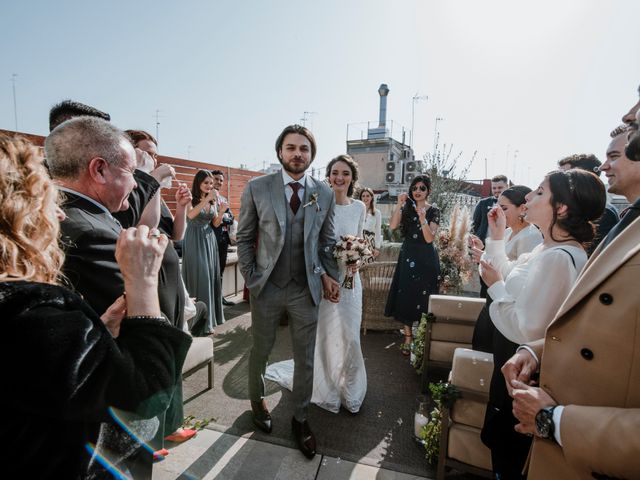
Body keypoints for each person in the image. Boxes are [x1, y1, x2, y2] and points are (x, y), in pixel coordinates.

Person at [0, 135, 191, 479]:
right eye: (45, 199)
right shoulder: (29, 311)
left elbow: (50, 374)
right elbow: (144, 395)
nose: (58, 212)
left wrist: (95, 332)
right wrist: (143, 284)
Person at [501, 122, 640, 479]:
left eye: (613, 155)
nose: (604, 166)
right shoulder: (626, 223)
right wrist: (535, 351)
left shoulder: (560, 255)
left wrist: (556, 419)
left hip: (591, 445)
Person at [46, 116, 180, 471]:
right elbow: (140, 326)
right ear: (100, 170)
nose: (136, 183)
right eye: (132, 172)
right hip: (109, 415)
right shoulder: (92, 231)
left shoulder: (73, 216)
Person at [478, 169, 606, 479]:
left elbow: (528, 329)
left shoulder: (559, 258)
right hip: (510, 359)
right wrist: (497, 238)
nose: (527, 197)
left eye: (538, 192)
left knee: (509, 460)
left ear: (560, 208)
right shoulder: (544, 250)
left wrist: (495, 288)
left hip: (523, 369)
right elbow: (509, 276)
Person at [237, 124, 340, 459]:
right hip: (266, 287)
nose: (298, 153)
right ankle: (257, 401)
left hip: (304, 288)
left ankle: (301, 418)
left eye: (305, 149)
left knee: (305, 358)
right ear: (280, 151)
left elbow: (327, 242)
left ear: (311, 155)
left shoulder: (322, 192)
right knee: (261, 349)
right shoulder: (257, 187)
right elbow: (244, 236)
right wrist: (252, 278)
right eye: (292, 147)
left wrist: (330, 276)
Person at [266, 154, 367, 414]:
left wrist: (358, 261)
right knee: (325, 336)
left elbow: (363, 243)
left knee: (352, 339)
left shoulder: (359, 208)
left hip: (351, 283)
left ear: (352, 178)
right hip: (323, 282)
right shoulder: (318, 205)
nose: (339, 178)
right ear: (329, 176)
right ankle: (328, 388)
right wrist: (324, 277)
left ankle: (352, 388)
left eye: (345, 173)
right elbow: (311, 247)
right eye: (335, 172)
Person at [126, 129, 198, 445]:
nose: (153, 157)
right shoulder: (134, 188)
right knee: (159, 351)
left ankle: (169, 423)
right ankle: (154, 432)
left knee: (172, 348)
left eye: (155, 153)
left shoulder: (150, 188)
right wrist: (152, 179)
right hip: (152, 279)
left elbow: (176, 234)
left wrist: (181, 207)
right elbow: (146, 226)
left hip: (170, 276)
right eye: (146, 151)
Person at [471, 185, 543, 352]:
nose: (498, 212)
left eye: (504, 208)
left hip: (508, 305)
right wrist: (483, 252)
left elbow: (516, 277)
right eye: (497, 207)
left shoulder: (531, 236)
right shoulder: (506, 232)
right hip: (493, 298)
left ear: (522, 209)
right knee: (481, 346)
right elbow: (492, 263)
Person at [384, 174, 440, 356]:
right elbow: (392, 226)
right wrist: (399, 204)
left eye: (422, 188)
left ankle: (421, 337)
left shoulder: (434, 210)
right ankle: (408, 337)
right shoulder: (406, 207)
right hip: (408, 256)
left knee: (424, 296)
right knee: (406, 294)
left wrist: (423, 218)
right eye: (415, 188)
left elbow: (429, 238)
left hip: (426, 259)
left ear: (428, 191)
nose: (418, 191)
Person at [182, 169, 226, 334]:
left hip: (209, 240)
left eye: (210, 183)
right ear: (198, 183)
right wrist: (207, 199)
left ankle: (210, 319)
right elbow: (190, 215)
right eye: (206, 183)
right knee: (200, 276)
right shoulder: (190, 198)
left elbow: (215, 224)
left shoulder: (213, 201)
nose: (209, 185)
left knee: (210, 276)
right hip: (194, 239)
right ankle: (196, 321)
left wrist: (221, 211)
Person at [557, 153, 619, 254]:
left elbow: (593, 258)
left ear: (583, 178)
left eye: (565, 176)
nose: (556, 182)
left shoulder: (603, 213)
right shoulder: (572, 210)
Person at [211, 169, 236, 306]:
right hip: (210, 239)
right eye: (216, 179)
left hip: (223, 239)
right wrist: (222, 217)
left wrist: (223, 217)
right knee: (211, 270)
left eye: (221, 180)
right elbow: (212, 220)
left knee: (220, 269)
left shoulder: (223, 199)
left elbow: (231, 218)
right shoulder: (206, 197)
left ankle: (220, 298)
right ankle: (212, 298)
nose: (219, 182)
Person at [359, 187, 382, 258]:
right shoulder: (357, 211)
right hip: (358, 241)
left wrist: (377, 248)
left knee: (368, 267)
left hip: (370, 243)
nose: (365, 198)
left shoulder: (377, 213)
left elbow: (378, 231)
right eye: (363, 196)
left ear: (371, 197)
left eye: (367, 196)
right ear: (360, 198)